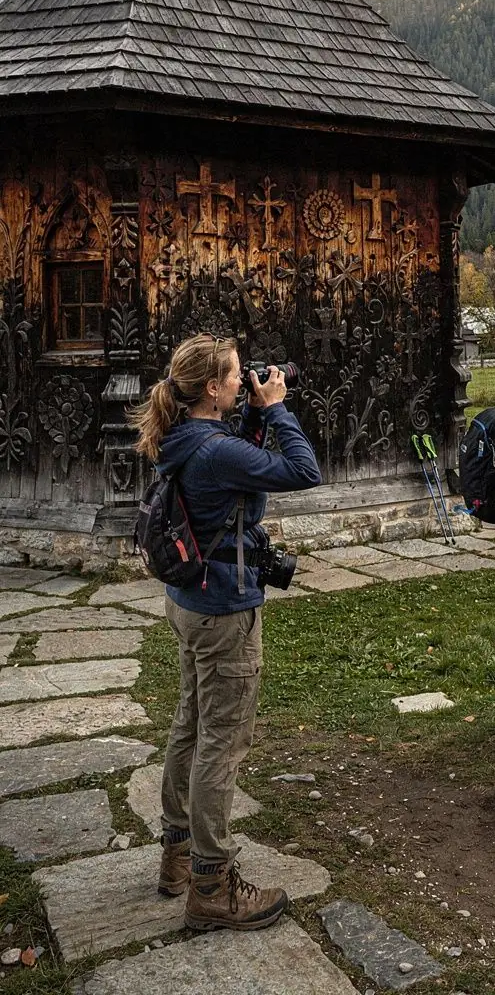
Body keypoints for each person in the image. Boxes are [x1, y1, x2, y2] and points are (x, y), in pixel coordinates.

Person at [129, 334, 321, 931]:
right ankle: (212, 885)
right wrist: (279, 408)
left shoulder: (185, 439)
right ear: (212, 389)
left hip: (187, 602)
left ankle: (178, 857)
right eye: (237, 376)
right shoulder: (215, 451)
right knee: (222, 742)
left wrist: (256, 416)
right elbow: (303, 470)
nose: (245, 382)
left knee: (189, 726)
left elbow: (246, 482)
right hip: (224, 613)